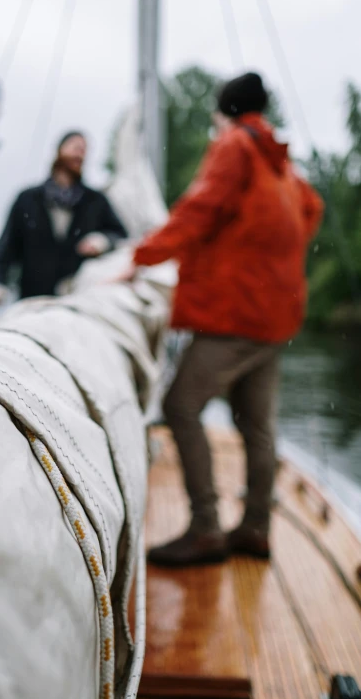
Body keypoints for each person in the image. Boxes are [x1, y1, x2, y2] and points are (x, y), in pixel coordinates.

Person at [132, 72, 323, 565]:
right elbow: (311, 210)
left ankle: (206, 527)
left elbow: (199, 210)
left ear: (226, 111)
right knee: (256, 423)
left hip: (234, 312)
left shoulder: (236, 145)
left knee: (179, 406)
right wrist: (268, 257)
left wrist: (140, 258)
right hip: (275, 316)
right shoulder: (280, 162)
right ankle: (256, 527)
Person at [0, 132, 127, 299]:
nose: (80, 153)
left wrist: (103, 241)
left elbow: (120, 235)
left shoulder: (95, 201)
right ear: (58, 151)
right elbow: (7, 246)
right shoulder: (28, 199)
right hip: (32, 298)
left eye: (84, 150)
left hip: (79, 298)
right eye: (75, 147)